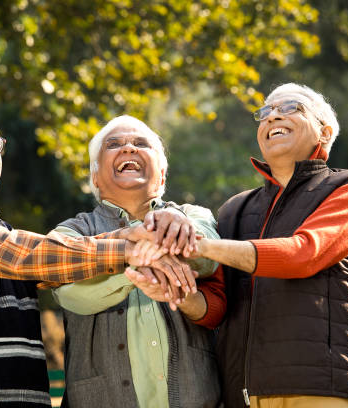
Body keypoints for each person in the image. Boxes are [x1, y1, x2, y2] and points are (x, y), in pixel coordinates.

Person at [0, 106, 174, 408]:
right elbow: (14, 252)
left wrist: (136, 237)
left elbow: (52, 260)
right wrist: (128, 247)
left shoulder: (4, 232)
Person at [128, 83, 348, 408]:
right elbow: (215, 309)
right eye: (265, 112)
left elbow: (304, 254)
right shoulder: (234, 209)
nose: (272, 117)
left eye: (291, 107)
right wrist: (178, 293)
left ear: (324, 133)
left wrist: (199, 246)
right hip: (241, 393)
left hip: (320, 386)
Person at [52, 115, 222, 408]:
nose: (129, 148)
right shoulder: (70, 232)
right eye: (114, 144)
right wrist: (138, 264)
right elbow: (70, 294)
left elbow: (208, 256)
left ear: (163, 176)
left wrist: (174, 225)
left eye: (141, 144)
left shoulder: (193, 215)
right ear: (95, 177)